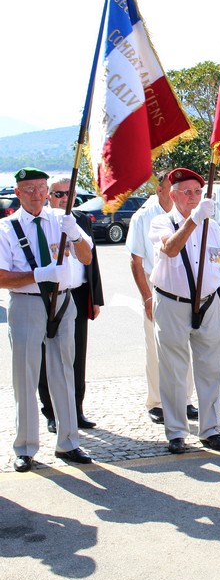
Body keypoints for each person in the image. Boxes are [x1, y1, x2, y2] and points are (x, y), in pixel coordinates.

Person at [0, 168, 93, 471]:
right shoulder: (6, 228)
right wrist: (39, 274)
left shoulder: (61, 220)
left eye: (41, 187)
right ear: (18, 192)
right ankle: (25, 448)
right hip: (27, 303)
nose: (36, 194)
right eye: (29, 189)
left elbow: (86, 257)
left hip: (63, 301)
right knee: (26, 376)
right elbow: (1, 276)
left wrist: (76, 234)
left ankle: (69, 442)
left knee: (64, 372)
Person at [149, 167, 220, 454]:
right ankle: (177, 432)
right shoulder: (162, 223)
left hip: (209, 303)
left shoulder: (213, 228)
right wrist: (194, 219)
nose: (193, 197)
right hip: (172, 303)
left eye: (197, 192)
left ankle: (211, 429)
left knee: (210, 369)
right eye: (187, 192)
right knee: (174, 371)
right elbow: (171, 248)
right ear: (173, 195)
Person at [126, 170, 197, 424]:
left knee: (185, 346)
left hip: (185, 286)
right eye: (172, 187)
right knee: (156, 348)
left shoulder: (188, 214)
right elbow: (135, 260)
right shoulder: (144, 217)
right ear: (160, 191)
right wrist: (146, 298)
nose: (178, 193)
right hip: (156, 284)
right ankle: (156, 402)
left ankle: (185, 399)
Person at [38, 176, 104, 432]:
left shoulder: (82, 219)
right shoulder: (41, 221)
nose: (65, 199)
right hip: (48, 296)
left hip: (77, 294)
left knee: (77, 355)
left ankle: (76, 409)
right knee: (48, 356)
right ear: (49, 196)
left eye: (69, 194)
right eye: (59, 194)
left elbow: (92, 262)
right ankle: (51, 411)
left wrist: (95, 298)